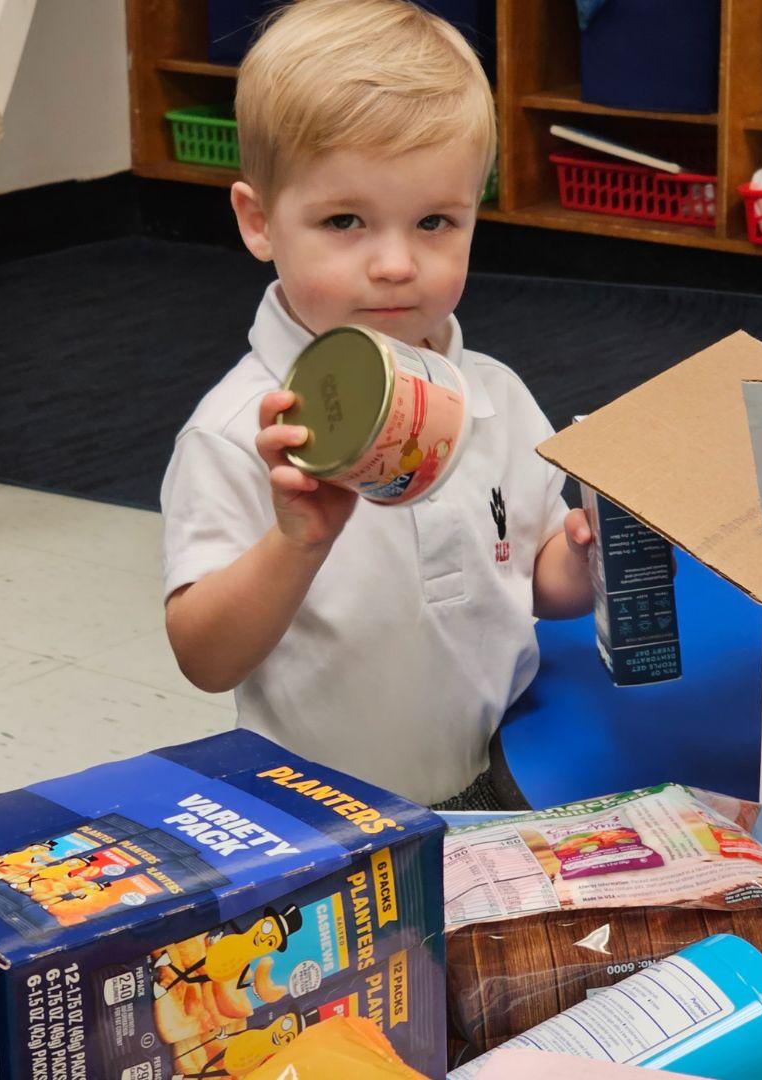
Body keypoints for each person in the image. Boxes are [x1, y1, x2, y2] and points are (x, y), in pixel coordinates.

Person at [161, 0, 594, 809]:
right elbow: (204, 659)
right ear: (259, 222)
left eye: (434, 221)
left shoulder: (496, 395)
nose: (396, 264)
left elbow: (537, 578)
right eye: (344, 221)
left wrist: (592, 557)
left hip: (500, 782)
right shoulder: (240, 432)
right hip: (322, 812)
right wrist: (295, 543)